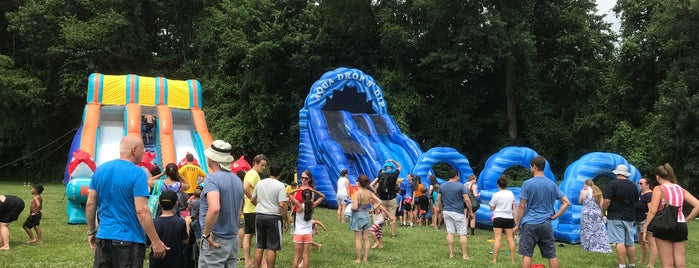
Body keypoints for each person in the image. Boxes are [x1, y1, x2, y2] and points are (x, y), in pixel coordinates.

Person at [86, 136, 168, 267]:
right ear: (134, 150)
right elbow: (141, 210)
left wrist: (91, 232)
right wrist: (156, 241)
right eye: (142, 149)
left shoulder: (100, 170)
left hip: (104, 237)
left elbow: (90, 204)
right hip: (129, 239)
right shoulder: (138, 173)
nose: (144, 152)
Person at [513, 156, 570, 268]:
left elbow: (522, 207)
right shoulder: (552, 184)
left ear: (534, 167)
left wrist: (517, 224)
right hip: (546, 223)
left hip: (530, 224)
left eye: (530, 166)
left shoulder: (527, 184)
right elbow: (566, 202)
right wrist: (555, 216)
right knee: (551, 255)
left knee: (527, 254)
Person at [643, 163, 699, 268]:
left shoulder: (658, 189)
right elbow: (697, 205)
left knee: (667, 264)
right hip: (680, 224)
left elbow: (652, 211)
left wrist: (645, 227)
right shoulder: (680, 189)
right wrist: (686, 220)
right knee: (680, 263)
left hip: (664, 224)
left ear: (657, 177)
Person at [199, 139, 245, 267]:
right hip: (232, 239)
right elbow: (238, 211)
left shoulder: (212, 179)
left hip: (215, 239)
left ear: (213, 159)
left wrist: (206, 233)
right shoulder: (237, 180)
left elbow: (214, 208)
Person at [251, 163, 290, 268]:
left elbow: (252, 199)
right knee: (272, 247)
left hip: (259, 216)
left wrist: (261, 205)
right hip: (273, 217)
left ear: (269, 171)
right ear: (280, 173)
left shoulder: (260, 183)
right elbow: (282, 205)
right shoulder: (280, 185)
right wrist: (286, 220)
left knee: (259, 246)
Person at [602, 164, 640, 268]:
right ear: (626, 174)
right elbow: (636, 202)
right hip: (629, 216)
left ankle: (622, 265)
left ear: (616, 173)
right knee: (630, 242)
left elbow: (607, 200)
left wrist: (602, 211)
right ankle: (632, 264)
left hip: (615, 216)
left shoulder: (612, 184)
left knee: (619, 241)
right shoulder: (633, 186)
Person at [436, 169, 473, 260]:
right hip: (458, 212)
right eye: (458, 176)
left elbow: (438, 199)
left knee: (450, 232)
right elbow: (467, 200)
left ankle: (451, 254)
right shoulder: (461, 186)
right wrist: (470, 211)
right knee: (462, 234)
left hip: (447, 211)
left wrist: (440, 209)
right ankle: (464, 255)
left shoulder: (442, 186)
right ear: (456, 176)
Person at [149, 190, 190, 268]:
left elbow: (148, 243)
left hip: (157, 261)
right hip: (176, 261)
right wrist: (187, 224)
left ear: (159, 204)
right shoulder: (180, 222)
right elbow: (185, 240)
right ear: (176, 204)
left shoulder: (153, 223)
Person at [286, 187, 325, 268]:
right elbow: (322, 196)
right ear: (310, 197)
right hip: (308, 234)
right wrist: (313, 190)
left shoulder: (299, 206)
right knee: (305, 256)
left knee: (296, 256)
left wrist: (299, 190)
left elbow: (289, 193)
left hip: (298, 234)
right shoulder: (312, 206)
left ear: (302, 197)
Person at [350, 174, 383, 263]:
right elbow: (379, 201)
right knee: (366, 238)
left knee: (358, 239)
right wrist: (373, 209)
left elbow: (355, 207)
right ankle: (365, 259)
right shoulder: (369, 193)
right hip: (367, 215)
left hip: (358, 216)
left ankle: (358, 259)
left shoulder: (357, 193)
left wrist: (351, 206)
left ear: (359, 183)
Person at [243, 154, 268, 268]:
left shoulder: (249, 173)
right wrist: (254, 200)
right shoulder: (254, 174)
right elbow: (246, 188)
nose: (264, 168)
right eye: (262, 165)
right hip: (253, 210)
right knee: (260, 237)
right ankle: (263, 263)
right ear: (255, 163)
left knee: (248, 235)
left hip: (247, 210)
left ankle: (248, 261)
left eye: (265, 165)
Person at [489, 175, 517, 264]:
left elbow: (491, 208)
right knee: (510, 239)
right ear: (506, 184)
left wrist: (494, 207)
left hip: (498, 217)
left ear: (498, 185)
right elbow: (514, 206)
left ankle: (494, 259)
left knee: (497, 239)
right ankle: (512, 260)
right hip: (509, 218)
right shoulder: (511, 194)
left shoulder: (496, 195)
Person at [578, 179, 611, 253]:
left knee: (587, 230)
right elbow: (601, 204)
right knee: (598, 229)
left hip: (586, 214)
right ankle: (601, 244)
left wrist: (581, 193)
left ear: (586, 185)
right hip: (596, 213)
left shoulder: (584, 192)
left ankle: (588, 245)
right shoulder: (598, 193)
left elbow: (580, 201)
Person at [370, 159, 401, 238]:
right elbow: (399, 166)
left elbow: (381, 171)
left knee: (382, 217)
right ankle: (393, 234)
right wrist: (393, 161)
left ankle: (379, 232)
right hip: (391, 199)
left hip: (382, 200)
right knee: (392, 217)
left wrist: (386, 162)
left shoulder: (380, 175)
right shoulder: (394, 175)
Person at [635, 177, 657, 267]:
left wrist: (648, 215)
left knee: (650, 242)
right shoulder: (640, 194)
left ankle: (651, 263)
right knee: (641, 242)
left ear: (647, 185)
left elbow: (651, 209)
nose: (639, 185)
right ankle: (643, 260)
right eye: (638, 183)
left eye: (641, 183)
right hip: (638, 220)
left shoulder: (650, 195)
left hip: (646, 220)